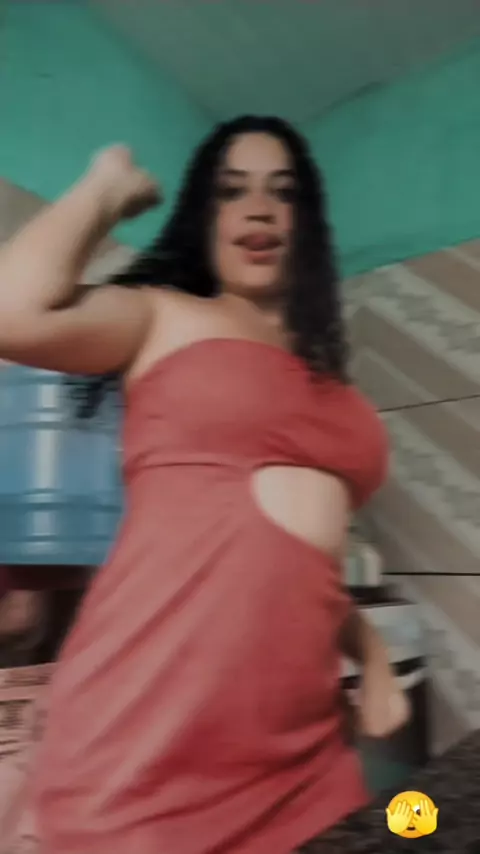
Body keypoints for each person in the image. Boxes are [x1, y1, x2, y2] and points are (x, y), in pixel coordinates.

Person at [0, 116, 408, 854]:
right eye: (232, 191)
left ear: (307, 224)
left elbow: (305, 572)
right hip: (145, 748)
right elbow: (10, 312)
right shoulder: (164, 316)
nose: (259, 209)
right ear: (204, 217)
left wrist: (374, 656)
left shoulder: (335, 386)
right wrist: (104, 188)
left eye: (282, 193)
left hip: (303, 756)